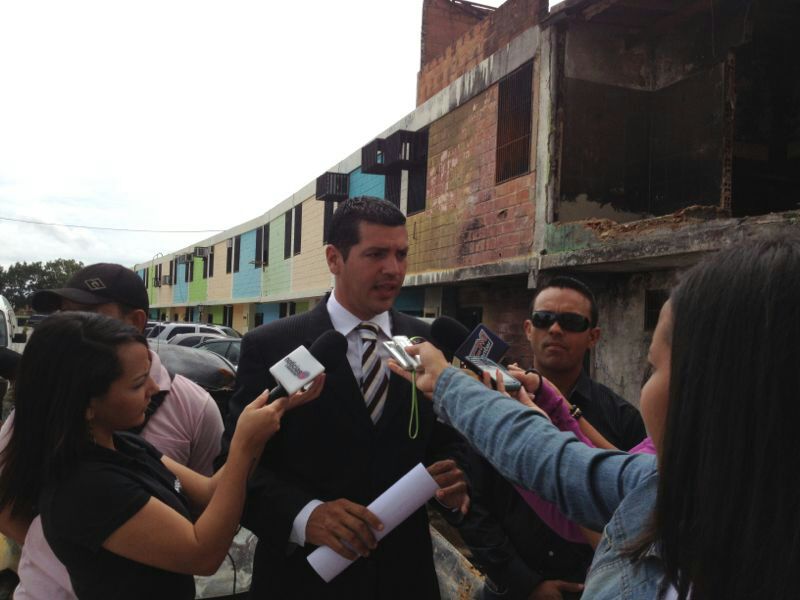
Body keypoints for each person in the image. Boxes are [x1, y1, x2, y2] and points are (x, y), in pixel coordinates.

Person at [391, 235, 800, 600]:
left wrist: (449, 382)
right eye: (546, 320)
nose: (555, 332)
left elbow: (561, 467)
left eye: (653, 368)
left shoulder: (628, 428)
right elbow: (554, 463)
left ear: (716, 390)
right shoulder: (671, 484)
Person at [223, 196, 469, 599]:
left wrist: (457, 477)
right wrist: (305, 516)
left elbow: (447, 440)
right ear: (334, 258)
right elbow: (235, 464)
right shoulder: (270, 346)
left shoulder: (428, 343)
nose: (393, 269)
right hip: (303, 580)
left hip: (404, 579)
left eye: (401, 254)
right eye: (376, 254)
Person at [0, 312, 323, 600]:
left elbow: (212, 493)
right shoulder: (84, 485)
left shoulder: (125, 445)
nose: (154, 389)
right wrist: (242, 446)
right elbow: (203, 553)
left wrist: (265, 420)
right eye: (138, 383)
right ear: (86, 403)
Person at [0, 262, 225, 599]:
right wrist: (71, 557)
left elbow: (208, 499)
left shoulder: (194, 407)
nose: (72, 325)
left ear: (135, 322)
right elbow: (6, 501)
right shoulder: (49, 410)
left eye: (87, 314)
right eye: (64, 315)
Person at [525, 276, 645, 450]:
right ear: (528, 330)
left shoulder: (623, 418)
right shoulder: (501, 401)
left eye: (571, 322)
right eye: (543, 318)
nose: (555, 329)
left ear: (593, 337)